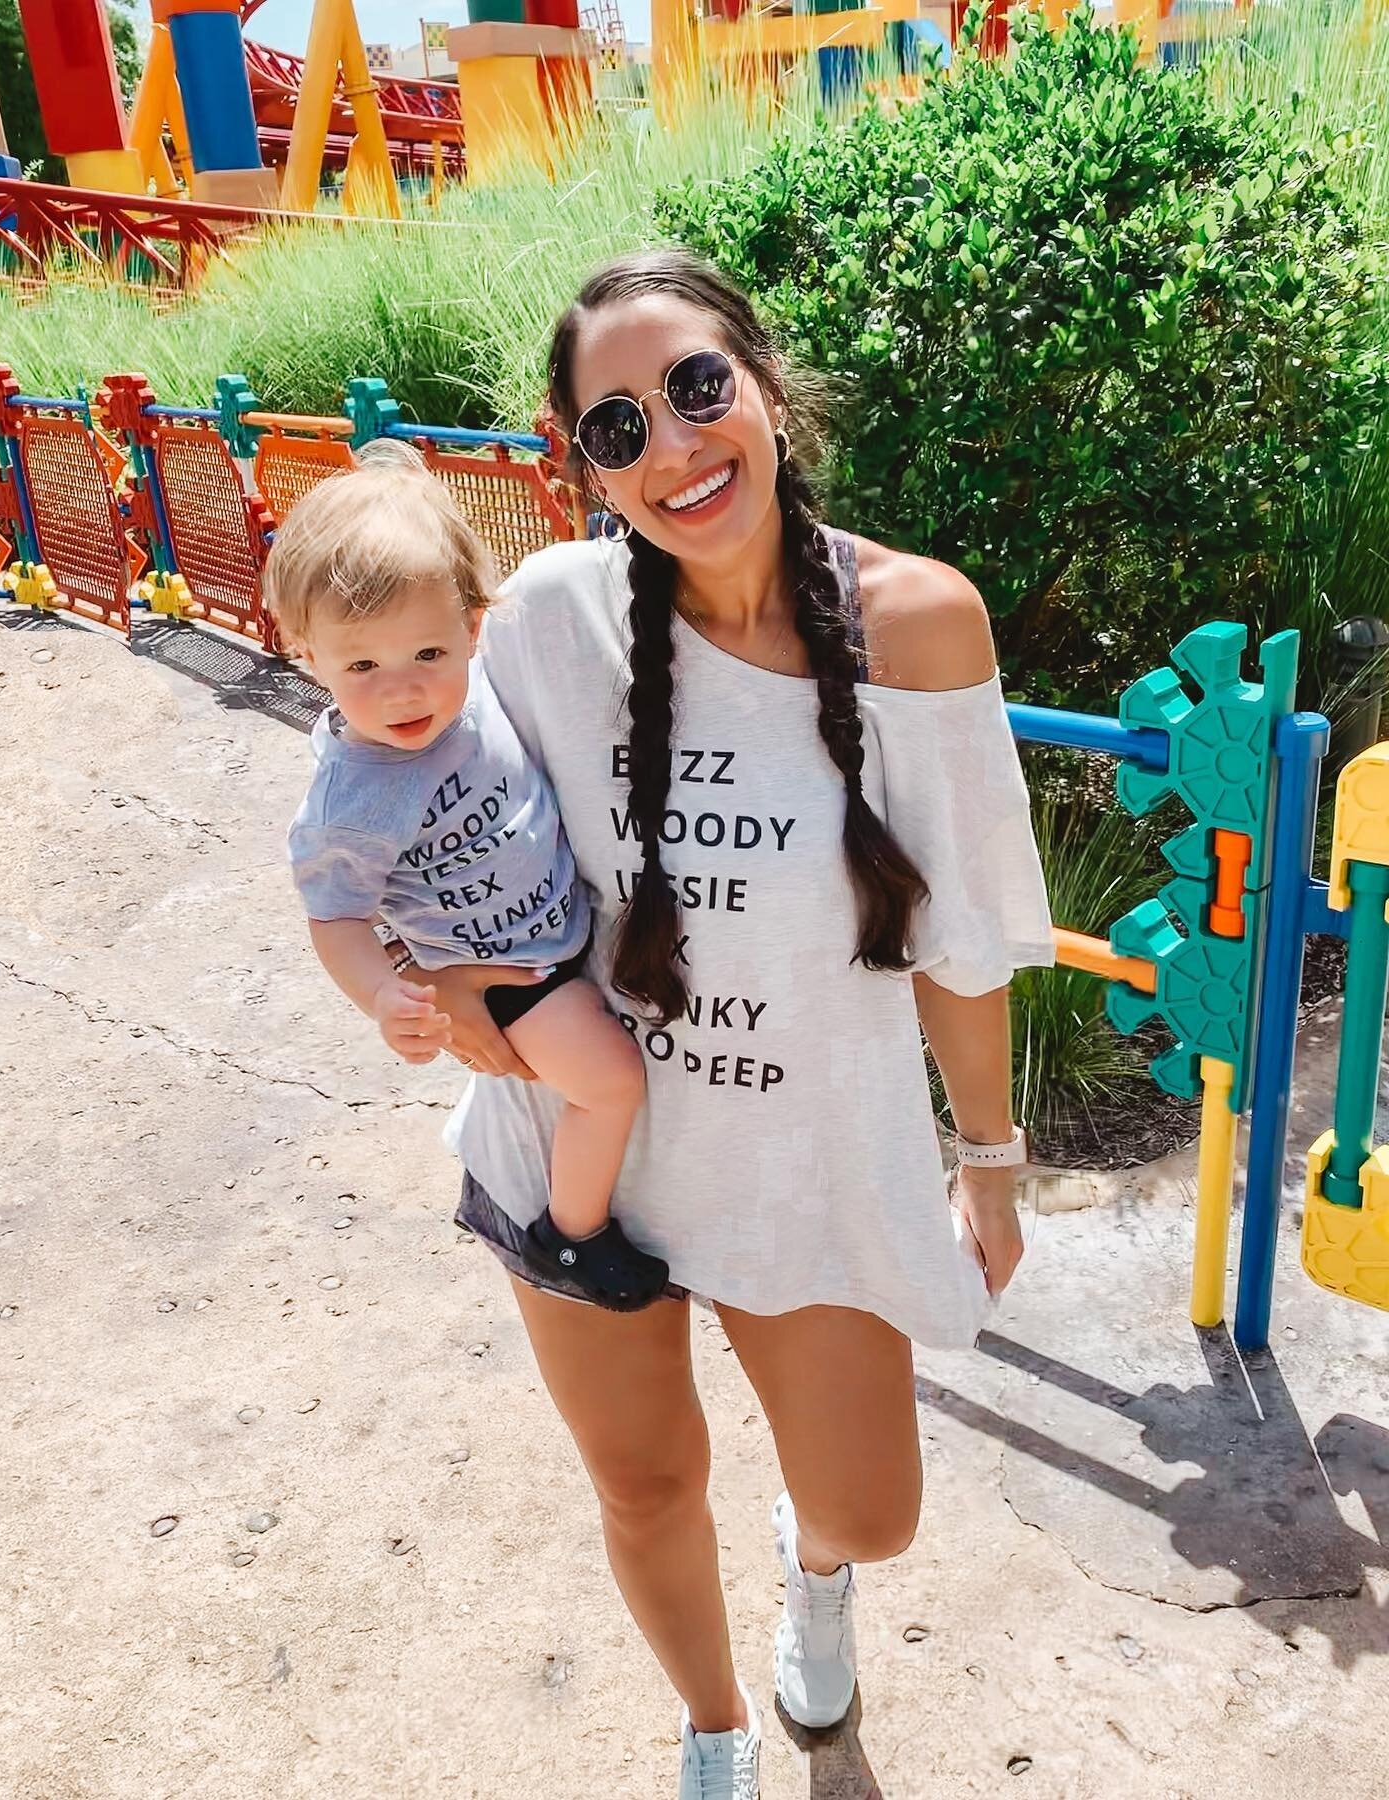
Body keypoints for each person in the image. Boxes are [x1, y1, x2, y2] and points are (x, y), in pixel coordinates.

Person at [416, 250, 1056, 1799]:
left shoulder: (918, 624)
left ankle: (813, 1569)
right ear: (587, 466)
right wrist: (427, 968)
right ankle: (713, 1731)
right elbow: (404, 786)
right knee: (643, 1483)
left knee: (875, 1506)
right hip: (586, 1144)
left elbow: (964, 937)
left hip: (806, 1155)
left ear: (765, 384)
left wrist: (988, 1158)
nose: (674, 447)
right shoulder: (552, 617)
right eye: (617, 427)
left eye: (697, 388)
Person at [265, 453, 670, 1310]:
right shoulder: (355, 794)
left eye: (426, 651)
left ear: (474, 627)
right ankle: (573, 1236)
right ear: (307, 657)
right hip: (513, 975)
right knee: (611, 1083)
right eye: (362, 668)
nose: (403, 690)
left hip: (568, 924)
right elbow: (334, 919)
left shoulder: (480, 683)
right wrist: (385, 995)